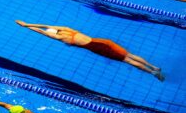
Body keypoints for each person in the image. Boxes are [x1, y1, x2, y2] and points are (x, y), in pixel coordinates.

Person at [16, 20, 164, 81]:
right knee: (129, 55)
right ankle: (154, 66)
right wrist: (29, 23)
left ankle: (153, 72)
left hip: (98, 48)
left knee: (127, 60)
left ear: (53, 35)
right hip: (102, 41)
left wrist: (26, 26)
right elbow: (47, 26)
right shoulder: (69, 31)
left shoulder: (62, 39)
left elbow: (43, 32)